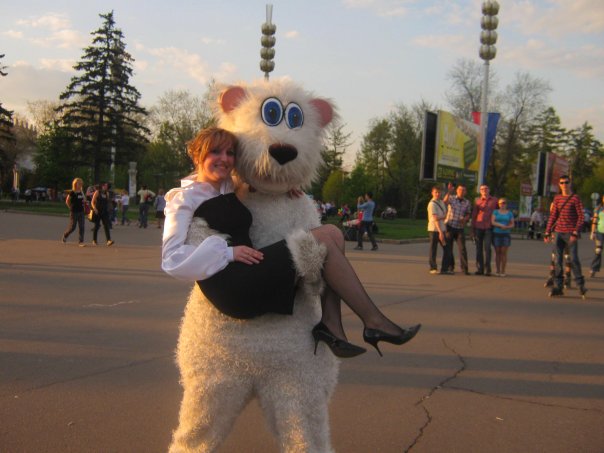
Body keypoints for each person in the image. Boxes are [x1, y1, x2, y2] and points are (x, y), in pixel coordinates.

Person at [162, 127, 420, 358]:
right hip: (232, 285)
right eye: (215, 152)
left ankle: (332, 324)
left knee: (333, 233)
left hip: (250, 269)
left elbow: (257, 179)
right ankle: (373, 322)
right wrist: (227, 253)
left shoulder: (226, 185)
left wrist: (284, 187)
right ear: (197, 156)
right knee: (322, 238)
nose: (225, 159)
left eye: (230, 153)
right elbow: (171, 259)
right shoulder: (184, 199)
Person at [544, 175, 586, 297]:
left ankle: (580, 285)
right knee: (558, 260)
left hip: (570, 233)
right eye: (562, 183)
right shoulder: (557, 198)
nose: (564, 185)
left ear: (570, 183)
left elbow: (581, 217)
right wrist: (547, 231)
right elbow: (553, 216)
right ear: (559, 184)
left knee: (574, 259)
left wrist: (575, 232)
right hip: (558, 232)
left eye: (566, 182)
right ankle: (558, 286)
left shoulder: (575, 198)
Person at [443, 183, 472, 275]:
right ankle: (450, 267)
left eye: (463, 190)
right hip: (450, 225)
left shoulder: (467, 202)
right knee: (449, 247)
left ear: (465, 192)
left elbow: (468, 213)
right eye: (459, 190)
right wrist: (448, 192)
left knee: (462, 248)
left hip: (460, 227)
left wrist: (465, 219)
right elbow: (444, 202)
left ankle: (464, 268)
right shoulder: (452, 198)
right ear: (457, 191)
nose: (461, 192)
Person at [471, 184, 498, 276]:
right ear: (480, 191)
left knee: (487, 248)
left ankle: (488, 269)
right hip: (478, 227)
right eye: (482, 189)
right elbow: (474, 215)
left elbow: (499, 212)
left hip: (489, 227)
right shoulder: (477, 201)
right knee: (478, 248)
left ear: (489, 190)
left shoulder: (494, 200)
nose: (484, 190)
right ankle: (480, 268)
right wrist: (472, 229)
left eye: (486, 189)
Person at [427, 185, 451, 274]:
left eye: (439, 192)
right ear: (432, 193)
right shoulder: (432, 204)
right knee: (433, 249)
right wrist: (440, 232)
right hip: (434, 230)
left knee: (447, 249)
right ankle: (433, 267)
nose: (437, 194)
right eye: (436, 192)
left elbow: (445, 201)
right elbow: (435, 218)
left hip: (442, 229)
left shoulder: (440, 202)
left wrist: (449, 192)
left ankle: (444, 268)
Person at [491, 198, 515, 276]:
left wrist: (506, 227)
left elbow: (512, 224)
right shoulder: (495, 212)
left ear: (506, 204)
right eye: (500, 203)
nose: (502, 204)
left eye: (504, 203)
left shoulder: (509, 213)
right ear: (498, 204)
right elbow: (493, 222)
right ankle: (497, 270)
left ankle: (503, 271)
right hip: (496, 233)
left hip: (506, 234)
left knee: (503, 253)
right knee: (497, 252)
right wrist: (501, 225)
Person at [61, 177, 86, 247]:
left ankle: (81, 241)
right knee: (72, 227)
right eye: (79, 184)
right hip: (74, 212)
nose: (80, 185)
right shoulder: (72, 192)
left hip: (81, 211)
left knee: (82, 227)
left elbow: (84, 200)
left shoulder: (81, 192)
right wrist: (70, 208)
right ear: (75, 184)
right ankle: (65, 235)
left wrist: (85, 202)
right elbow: (67, 201)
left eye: (81, 184)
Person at [91, 182, 114, 246]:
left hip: (105, 212)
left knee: (106, 225)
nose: (105, 186)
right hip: (98, 211)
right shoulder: (97, 192)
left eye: (106, 186)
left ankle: (108, 240)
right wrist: (95, 208)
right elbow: (92, 202)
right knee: (97, 226)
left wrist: (110, 208)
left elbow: (107, 202)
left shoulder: (107, 193)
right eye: (104, 185)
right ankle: (94, 240)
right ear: (102, 186)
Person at [589, 194, 604, 278]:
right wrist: (593, 232)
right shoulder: (599, 208)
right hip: (599, 232)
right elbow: (594, 220)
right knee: (598, 250)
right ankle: (593, 268)